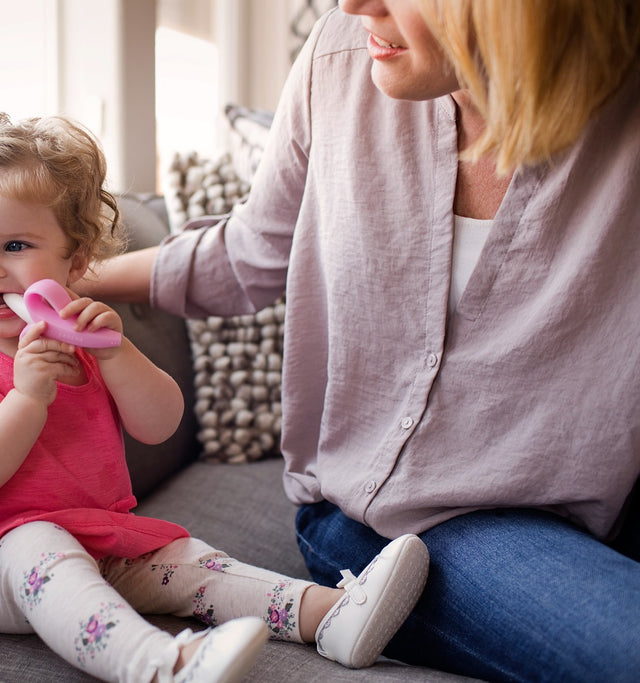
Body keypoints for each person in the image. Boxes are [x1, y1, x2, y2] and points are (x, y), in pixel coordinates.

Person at [80, 0, 640, 680]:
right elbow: (251, 253)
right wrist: (74, 277)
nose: (350, 3)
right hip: (399, 522)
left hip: (603, 503)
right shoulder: (341, 56)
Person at [0, 110, 431, 683]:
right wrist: (26, 399)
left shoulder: (82, 348)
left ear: (74, 264)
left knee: (190, 562)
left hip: (99, 544)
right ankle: (158, 665)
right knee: (39, 542)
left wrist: (115, 353)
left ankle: (328, 615)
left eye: (14, 244)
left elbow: (160, 423)